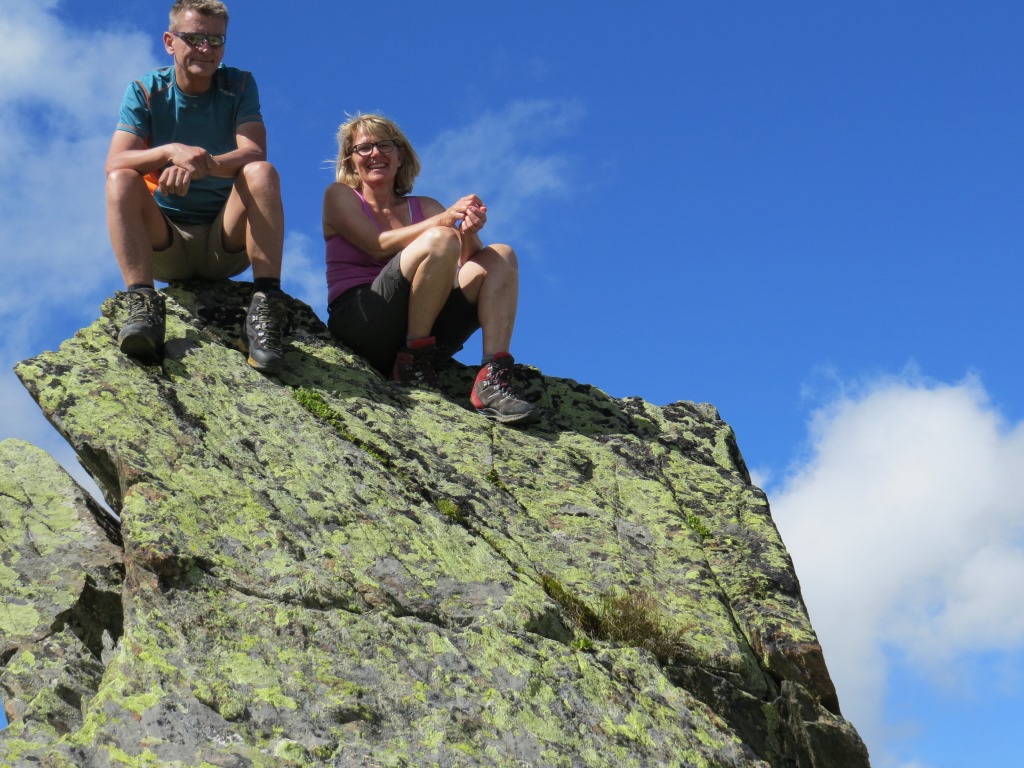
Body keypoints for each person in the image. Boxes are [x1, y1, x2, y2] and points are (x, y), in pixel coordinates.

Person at [105, 0, 288, 373]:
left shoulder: (239, 84)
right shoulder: (145, 90)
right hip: (166, 243)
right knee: (121, 179)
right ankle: (142, 304)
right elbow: (116, 161)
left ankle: (265, 306)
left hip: (225, 242)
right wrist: (170, 152)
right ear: (169, 41)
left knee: (261, 172)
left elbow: (254, 151)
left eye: (216, 40)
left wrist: (203, 166)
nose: (206, 49)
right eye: (194, 38)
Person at [323, 113, 540, 426]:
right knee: (440, 238)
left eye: (384, 145)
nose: (375, 154)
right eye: (364, 148)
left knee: (501, 255)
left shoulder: (423, 207)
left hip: (422, 323)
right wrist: (444, 221)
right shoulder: (340, 196)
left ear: (400, 156)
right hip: (363, 321)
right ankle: (413, 363)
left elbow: (470, 263)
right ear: (351, 160)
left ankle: (492, 378)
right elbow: (376, 245)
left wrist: (468, 230)